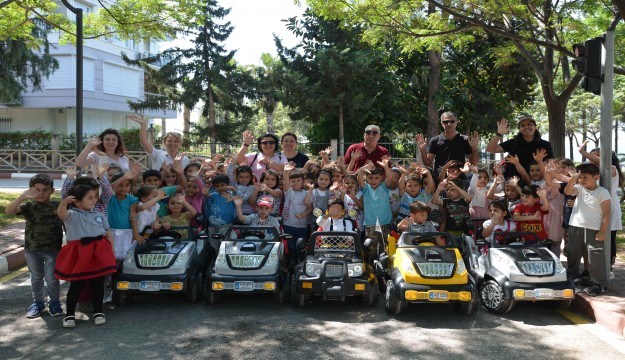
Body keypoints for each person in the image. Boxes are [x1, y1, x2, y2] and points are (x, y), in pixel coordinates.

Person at [55, 183, 117, 328]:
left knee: (98, 285)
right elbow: (61, 214)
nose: (94, 200)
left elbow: (107, 233)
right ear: (76, 201)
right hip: (81, 254)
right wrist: (64, 202)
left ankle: (98, 312)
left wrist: (111, 251)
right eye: (90, 198)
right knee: (77, 285)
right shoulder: (72, 215)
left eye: (95, 197)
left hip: (99, 253)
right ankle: (69, 315)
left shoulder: (99, 215)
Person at [5, 174, 64, 318]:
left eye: (45, 189)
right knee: (36, 277)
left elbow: (68, 218)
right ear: (30, 190)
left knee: (51, 278)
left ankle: (54, 302)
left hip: (53, 249)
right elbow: (9, 211)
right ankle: (38, 302)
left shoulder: (57, 205)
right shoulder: (29, 206)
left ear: (52, 191)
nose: (41, 193)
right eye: (37, 189)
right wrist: (22, 197)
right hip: (32, 249)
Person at [564, 163, 611, 296]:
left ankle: (599, 283)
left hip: (593, 229)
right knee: (573, 253)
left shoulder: (602, 192)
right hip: (575, 226)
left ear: (596, 177)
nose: (582, 180)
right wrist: (573, 179)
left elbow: (607, 214)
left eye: (585, 177)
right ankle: (572, 276)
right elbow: (567, 192)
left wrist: (602, 231)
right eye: (580, 177)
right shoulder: (579, 188)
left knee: (594, 256)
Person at [578, 142, 623, 277]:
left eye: (597, 157)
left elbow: (604, 163)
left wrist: (583, 152)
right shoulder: (592, 174)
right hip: (594, 209)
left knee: (609, 238)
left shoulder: (612, 168)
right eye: (592, 157)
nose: (594, 160)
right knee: (594, 238)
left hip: (610, 206)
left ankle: (608, 267)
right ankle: (591, 269)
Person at [486, 115, 553, 182]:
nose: (526, 127)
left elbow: (550, 164)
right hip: (514, 183)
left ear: (535, 127)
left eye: (529, 124)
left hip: (538, 183)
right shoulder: (513, 142)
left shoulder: (545, 144)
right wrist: (499, 134)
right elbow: (490, 149)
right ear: (519, 129)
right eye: (523, 125)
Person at [416, 112, 479, 179]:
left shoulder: (465, 140)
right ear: (442, 124)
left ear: (457, 122)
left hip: (460, 179)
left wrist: (474, 148)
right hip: (440, 179)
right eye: (446, 122)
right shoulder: (435, 140)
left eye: (452, 121)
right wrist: (422, 151)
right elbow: (428, 163)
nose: (449, 124)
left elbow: (474, 163)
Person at [357, 157, 394, 252]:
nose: (373, 181)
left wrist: (386, 167)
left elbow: (390, 177)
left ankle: (386, 265)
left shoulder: (384, 187)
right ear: (366, 178)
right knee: (371, 247)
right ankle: (371, 265)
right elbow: (359, 179)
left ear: (381, 177)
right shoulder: (366, 188)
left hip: (385, 223)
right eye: (371, 178)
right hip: (370, 224)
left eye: (376, 178)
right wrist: (362, 170)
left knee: (386, 246)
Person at [282, 164, 312, 251]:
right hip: (288, 224)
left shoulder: (306, 193)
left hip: (302, 225)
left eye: (298, 180)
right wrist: (286, 172)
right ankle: (291, 261)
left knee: (300, 246)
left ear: (303, 181)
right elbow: (285, 182)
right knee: (290, 246)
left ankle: (299, 261)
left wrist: (303, 214)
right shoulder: (289, 192)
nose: (296, 183)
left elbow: (310, 207)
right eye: (293, 181)